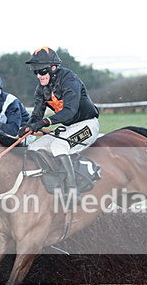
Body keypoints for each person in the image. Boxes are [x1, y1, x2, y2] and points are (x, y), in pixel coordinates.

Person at [17, 46, 100, 200]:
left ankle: (73, 190)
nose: (39, 76)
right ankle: (54, 184)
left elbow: (70, 111)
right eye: (35, 71)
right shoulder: (41, 89)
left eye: (42, 71)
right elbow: (36, 115)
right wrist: (29, 126)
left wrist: (44, 122)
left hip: (87, 125)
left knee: (58, 146)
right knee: (35, 147)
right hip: (68, 128)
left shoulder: (70, 80)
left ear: (53, 68)